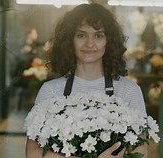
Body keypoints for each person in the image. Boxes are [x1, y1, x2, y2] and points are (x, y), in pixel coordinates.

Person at [26, 3, 147, 158]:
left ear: (109, 42)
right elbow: (33, 152)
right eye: (81, 35)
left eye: (98, 35)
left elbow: (140, 151)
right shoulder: (50, 90)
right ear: (69, 40)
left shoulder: (129, 91)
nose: (90, 44)